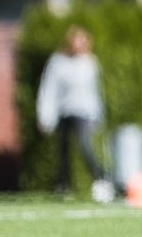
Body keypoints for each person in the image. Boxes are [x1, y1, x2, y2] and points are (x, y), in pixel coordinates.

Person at [37, 26, 114, 202]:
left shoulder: (89, 63)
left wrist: (98, 116)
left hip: (84, 112)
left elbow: (95, 91)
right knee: (63, 151)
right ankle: (64, 186)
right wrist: (45, 115)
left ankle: (101, 180)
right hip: (64, 111)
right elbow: (49, 90)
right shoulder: (57, 62)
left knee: (84, 144)